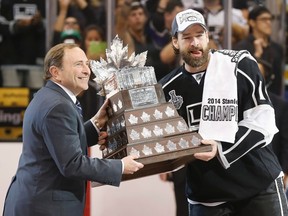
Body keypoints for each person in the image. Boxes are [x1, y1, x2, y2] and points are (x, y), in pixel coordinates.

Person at [159, 9, 288, 216]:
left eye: (199, 35)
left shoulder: (239, 65)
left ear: (207, 37)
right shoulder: (165, 88)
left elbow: (264, 120)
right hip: (207, 195)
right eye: (187, 37)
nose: (195, 43)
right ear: (175, 42)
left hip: (258, 186)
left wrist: (220, 148)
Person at [2, 43, 144, 216]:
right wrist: (120, 166)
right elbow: (72, 164)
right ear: (56, 72)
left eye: (87, 63)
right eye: (78, 64)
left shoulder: (50, 97)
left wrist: (95, 124)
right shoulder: (58, 106)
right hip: (44, 208)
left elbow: (60, 142)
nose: (87, 70)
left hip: (36, 201)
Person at [234, 5, 284, 96]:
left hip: (276, 100)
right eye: (264, 19)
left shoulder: (277, 48)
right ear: (252, 23)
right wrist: (257, 55)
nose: (269, 22)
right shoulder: (241, 47)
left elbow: (279, 79)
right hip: (252, 100)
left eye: (270, 19)